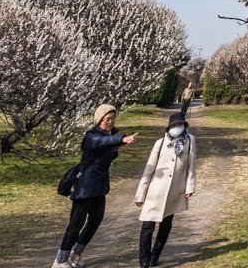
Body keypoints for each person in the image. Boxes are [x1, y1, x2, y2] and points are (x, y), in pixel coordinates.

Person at [53, 104, 136, 268]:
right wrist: (120, 139)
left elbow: (104, 156)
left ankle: (76, 252)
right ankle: (60, 260)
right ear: (100, 119)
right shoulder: (91, 135)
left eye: (113, 118)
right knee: (75, 225)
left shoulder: (109, 134)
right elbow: (100, 142)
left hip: (100, 187)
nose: (111, 122)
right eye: (107, 119)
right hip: (84, 186)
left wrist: (116, 148)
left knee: (95, 221)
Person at [132, 110, 197, 267]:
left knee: (166, 225)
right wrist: (140, 195)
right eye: (174, 125)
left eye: (180, 125)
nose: (177, 128)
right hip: (155, 192)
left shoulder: (190, 141)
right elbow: (149, 170)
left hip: (174, 191)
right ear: (169, 127)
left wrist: (190, 186)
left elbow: (191, 165)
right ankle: (144, 259)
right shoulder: (159, 143)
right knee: (147, 226)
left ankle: (156, 254)